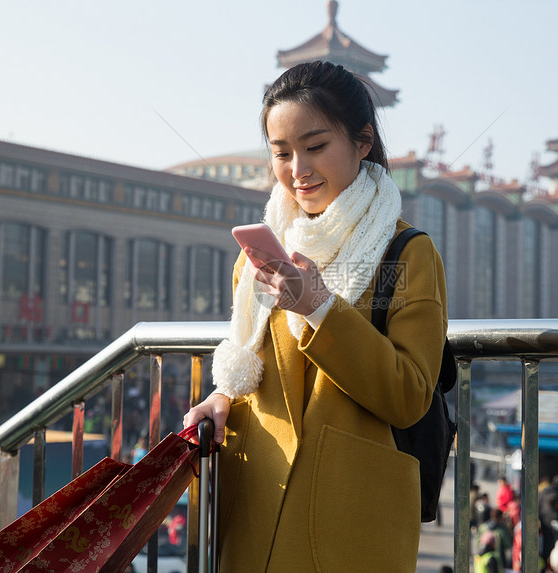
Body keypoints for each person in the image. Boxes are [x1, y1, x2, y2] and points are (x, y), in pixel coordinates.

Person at [183, 61, 448, 572]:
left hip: (348, 514)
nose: (297, 169)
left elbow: (410, 393)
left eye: (315, 146)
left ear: (363, 140)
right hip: (257, 499)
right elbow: (251, 367)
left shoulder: (406, 252)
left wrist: (320, 307)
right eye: (281, 152)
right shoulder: (259, 250)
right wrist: (220, 398)